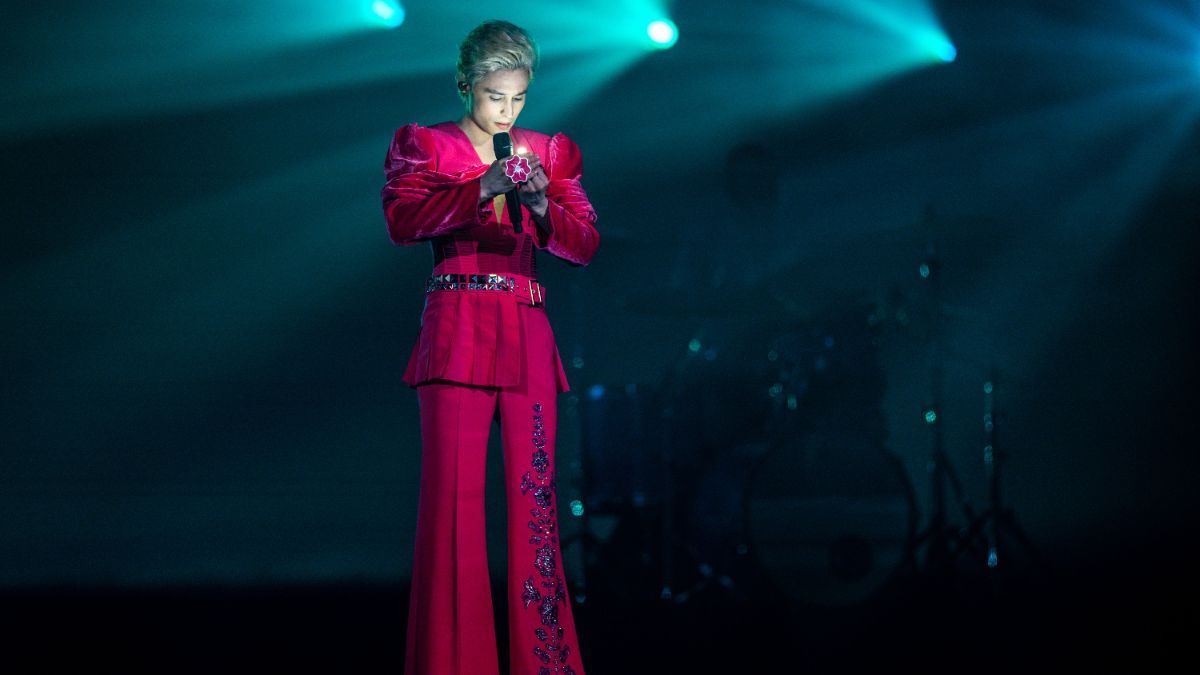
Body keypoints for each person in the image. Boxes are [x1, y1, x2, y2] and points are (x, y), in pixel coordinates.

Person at [380, 19, 598, 675]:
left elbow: (584, 244)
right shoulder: (426, 145)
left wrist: (540, 205)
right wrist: (483, 187)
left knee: (535, 504)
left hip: (526, 328)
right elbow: (402, 221)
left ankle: (546, 664)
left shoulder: (550, 152)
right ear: (464, 84)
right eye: (494, 96)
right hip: (456, 327)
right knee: (452, 507)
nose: (507, 111)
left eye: (518, 98)